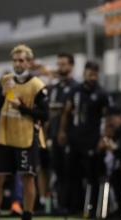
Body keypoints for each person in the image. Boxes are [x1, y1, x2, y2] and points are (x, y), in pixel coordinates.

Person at [0, 45, 49, 220]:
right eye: (15, 60)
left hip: (27, 138)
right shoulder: (6, 80)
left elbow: (45, 115)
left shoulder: (37, 85)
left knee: (27, 178)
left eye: (21, 60)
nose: (18, 64)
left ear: (29, 63)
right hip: (5, 136)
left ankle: (27, 215)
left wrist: (22, 108)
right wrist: (2, 92)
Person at [58, 61, 112, 217]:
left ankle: (93, 208)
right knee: (71, 175)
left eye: (95, 74)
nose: (92, 77)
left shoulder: (102, 93)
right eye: (90, 74)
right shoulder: (75, 91)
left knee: (93, 177)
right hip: (74, 139)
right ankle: (72, 207)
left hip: (93, 141)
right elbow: (66, 112)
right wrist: (62, 132)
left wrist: (104, 138)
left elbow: (107, 118)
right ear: (84, 74)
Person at [46, 52, 78, 211]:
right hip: (53, 135)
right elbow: (49, 109)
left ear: (71, 66)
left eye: (64, 64)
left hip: (70, 136)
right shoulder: (55, 88)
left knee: (69, 172)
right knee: (57, 170)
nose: (60, 67)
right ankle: (58, 205)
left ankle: (71, 205)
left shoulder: (76, 87)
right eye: (58, 64)